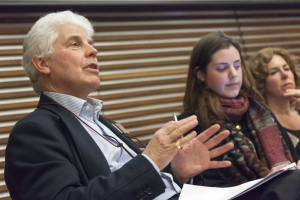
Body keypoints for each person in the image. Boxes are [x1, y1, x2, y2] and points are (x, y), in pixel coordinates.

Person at [4, 11, 234, 200]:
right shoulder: (34, 131)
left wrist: (175, 171)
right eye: (75, 44)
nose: (94, 51)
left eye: (91, 44)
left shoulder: (102, 122)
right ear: (43, 64)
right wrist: (151, 160)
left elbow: (132, 185)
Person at [178, 32, 300, 200]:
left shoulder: (260, 109)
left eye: (237, 65)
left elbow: (293, 160)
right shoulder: (191, 123)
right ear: (201, 75)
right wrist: (272, 183)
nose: (233, 73)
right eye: (222, 68)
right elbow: (205, 190)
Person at [248, 47, 300, 154]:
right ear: (261, 83)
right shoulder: (264, 123)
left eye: (286, 69)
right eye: (274, 72)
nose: (285, 75)